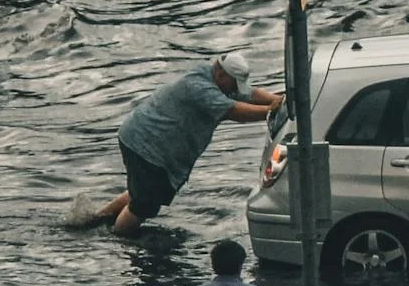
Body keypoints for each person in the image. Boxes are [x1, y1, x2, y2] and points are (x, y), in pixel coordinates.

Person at [91, 53, 282, 238]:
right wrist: (270, 112)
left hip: (144, 140)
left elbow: (248, 93)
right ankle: (120, 239)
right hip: (145, 144)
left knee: (144, 190)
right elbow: (233, 111)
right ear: (221, 74)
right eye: (233, 84)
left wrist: (277, 100)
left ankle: (97, 220)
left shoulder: (214, 79)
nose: (234, 90)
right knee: (144, 205)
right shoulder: (199, 88)